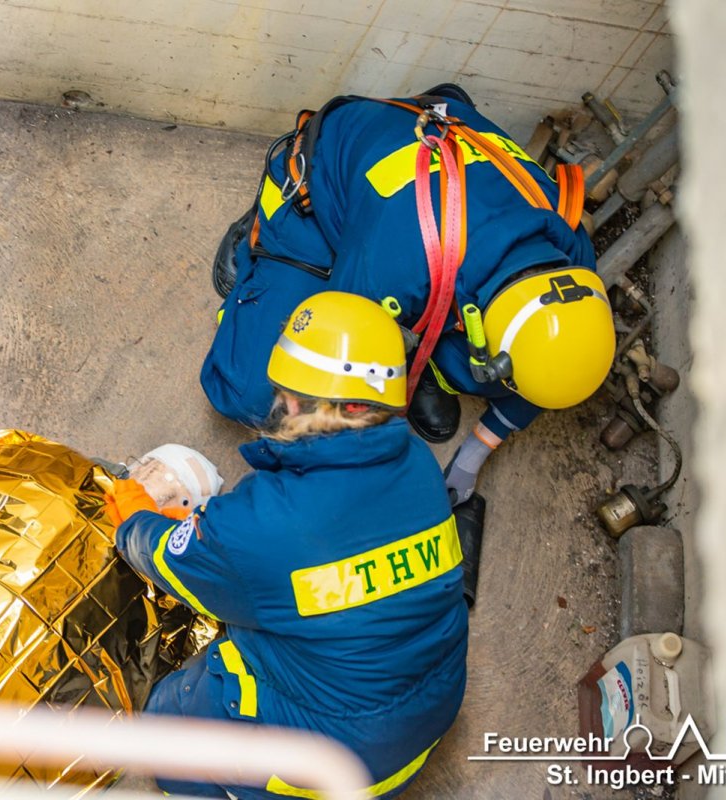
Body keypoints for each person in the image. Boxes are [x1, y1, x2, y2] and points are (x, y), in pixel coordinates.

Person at [108, 291, 467, 798]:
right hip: (428, 714)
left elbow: (169, 559)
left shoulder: (261, 525)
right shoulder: (418, 465)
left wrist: (134, 520)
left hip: (335, 759)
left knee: (171, 711)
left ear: (293, 400)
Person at [201, 85, 616, 507]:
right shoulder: (399, 266)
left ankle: (430, 361)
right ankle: (268, 228)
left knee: (482, 374)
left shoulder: (572, 260)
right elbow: (337, 358)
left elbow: (543, 370)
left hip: (431, 179)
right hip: (335, 166)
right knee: (248, 393)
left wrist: (472, 456)